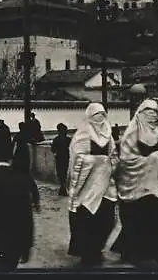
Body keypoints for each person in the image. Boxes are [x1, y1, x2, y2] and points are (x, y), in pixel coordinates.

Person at [114, 99, 158, 269]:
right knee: (139, 219)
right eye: (148, 113)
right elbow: (126, 159)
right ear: (140, 114)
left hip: (157, 184)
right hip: (136, 184)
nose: (152, 116)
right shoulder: (132, 133)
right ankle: (135, 253)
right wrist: (150, 161)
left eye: (155, 113)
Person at [67, 102, 118, 267]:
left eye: (103, 115)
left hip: (105, 187)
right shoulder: (82, 135)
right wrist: (98, 162)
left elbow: (114, 157)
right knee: (87, 221)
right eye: (96, 115)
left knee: (106, 219)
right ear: (89, 117)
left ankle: (97, 249)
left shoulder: (108, 134)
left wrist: (108, 166)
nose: (100, 118)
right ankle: (87, 253)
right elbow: (76, 159)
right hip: (86, 187)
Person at [51, 123, 71, 196]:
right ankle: (63, 188)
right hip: (65, 158)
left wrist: (56, 152)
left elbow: (53, 149)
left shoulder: (56, 139)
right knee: (63, 174)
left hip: (59, 159)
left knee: (60, 174)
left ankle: (62, 188)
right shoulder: (68, 140)